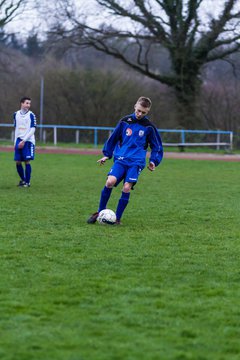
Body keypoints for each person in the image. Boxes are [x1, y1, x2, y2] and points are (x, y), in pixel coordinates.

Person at [87, 96, 164, 225]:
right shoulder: (124, 121)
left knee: (127, 188)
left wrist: (153, 161)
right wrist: (107, 154)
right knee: (109, 182)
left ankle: (117, 219)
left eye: (143, 112)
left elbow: (157, 146)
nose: (139, 114)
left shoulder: (149, 127)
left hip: (136, 162)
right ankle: (100, 213)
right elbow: (113, 138)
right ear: (135, 106)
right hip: (121, 159)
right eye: (138, 110)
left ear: (148, 112)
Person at [13, 97, 37, 187]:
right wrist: (15, 142)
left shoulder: (31, 115)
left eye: (29, 103)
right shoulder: (15, 114)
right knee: (18, 161)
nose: (28, 105)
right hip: (19, 140)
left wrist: (24, 140)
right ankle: (23, 180)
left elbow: (33, 129)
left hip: (28, 141)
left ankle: (28, 182)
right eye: (27, 103)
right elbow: (16, 129)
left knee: (27, 161)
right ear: (21, 103)